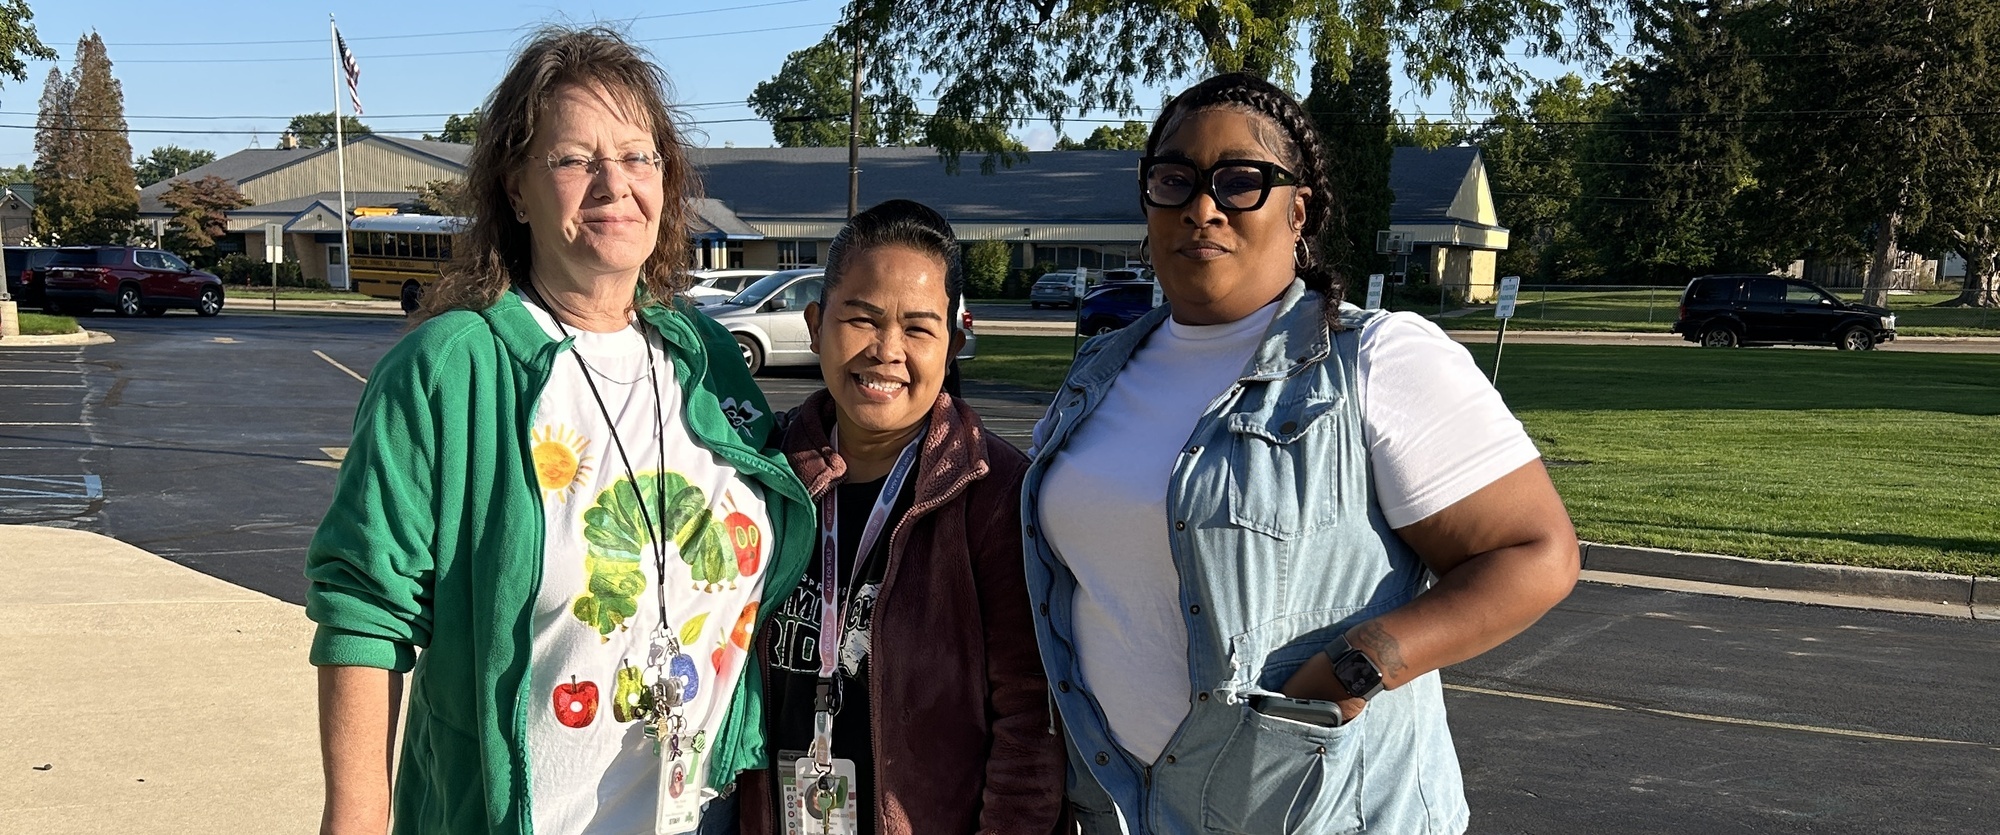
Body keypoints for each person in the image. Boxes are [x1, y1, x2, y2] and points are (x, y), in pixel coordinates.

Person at [1021, 73, 1581, 834]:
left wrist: (1354, 668)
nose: (1203, 207)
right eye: (1174, 179)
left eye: (1240, 181)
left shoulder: (1376, 360)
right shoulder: (1099, 373)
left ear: (1299, 210)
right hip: (1125, 808)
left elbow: (1536, 552)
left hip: (1324, 814)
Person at [306, 27, 814, 835]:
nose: (615, 183)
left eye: (639, 156)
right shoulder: (450, 371)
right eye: (576, 159)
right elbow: (365, 611)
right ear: (515, 189)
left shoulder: (708, 357)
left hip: (701, 816)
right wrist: (357, 818)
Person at [735, 200, 1066, 835]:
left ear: (953, 344)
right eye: (861, 318)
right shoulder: (760, 476)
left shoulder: (995, 494)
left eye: (918, 328)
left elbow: (1029, 722)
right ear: (815, 325)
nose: (887, 350)